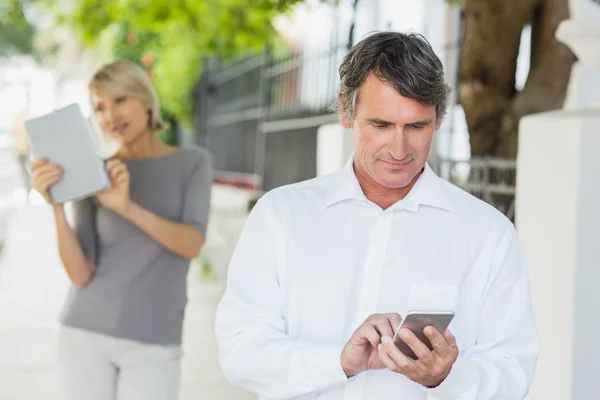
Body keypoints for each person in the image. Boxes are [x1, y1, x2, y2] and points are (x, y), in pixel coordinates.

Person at [215, 32, 539, 399]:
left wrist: (444, 378)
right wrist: (339, 362)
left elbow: (512, 367)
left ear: (438, 119)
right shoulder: (280, 217)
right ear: (345, 110)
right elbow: (240, 349)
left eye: (417, 126)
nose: (399, 149)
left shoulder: (488, 233)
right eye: (381, 125)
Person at [29, 60, 212, 400]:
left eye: (120, 100)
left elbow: (192, 244)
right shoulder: (94, 173)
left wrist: (126, 208)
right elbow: (81, 274)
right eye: (99, 107)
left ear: (145, 100)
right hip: (84, 335)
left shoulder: (192, 163)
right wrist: (56, 205)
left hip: (155, 340)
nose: (110, 115)